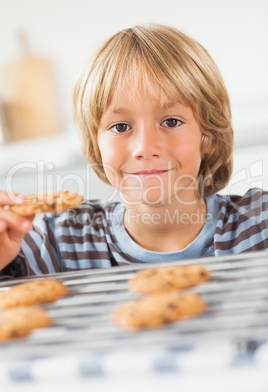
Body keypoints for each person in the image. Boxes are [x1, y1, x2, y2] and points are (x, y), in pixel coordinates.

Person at [0, 23, 267, 278]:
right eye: (120, 126)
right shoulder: (58, 241)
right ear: (96, 146)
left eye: (171, 121)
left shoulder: (258, 225)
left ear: (208, 136)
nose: (145, 148)